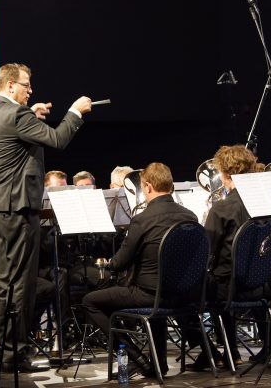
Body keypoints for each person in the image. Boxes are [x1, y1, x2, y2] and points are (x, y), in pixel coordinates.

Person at [0, 62, 92, 373]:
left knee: (5, 282)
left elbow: (15, 132)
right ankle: (13, 355)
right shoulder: (18, 115)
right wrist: (75, 112)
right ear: (11, 85)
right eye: (26, 85)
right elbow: (57, 140)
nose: (31, 90)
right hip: (17, 208)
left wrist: (32, 112)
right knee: (20, 284)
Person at [82, 162, 198, 378]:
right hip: (183, 296)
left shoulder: (142, 220)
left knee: (90, 301)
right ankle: (158, 363)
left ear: (147, 186)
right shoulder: (190, 216)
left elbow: (120, 263)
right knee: (154, 291)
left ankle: (138, 358)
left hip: (149, 296)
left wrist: (109, 262)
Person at [184, 145, 258, 370]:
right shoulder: (261, 203)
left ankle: (211, 351)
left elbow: (205, 250)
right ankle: (231, 350)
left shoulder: (222, 208)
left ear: (225, 174)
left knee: (179, 294)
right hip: (259, 284)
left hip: (230, 287)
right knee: (215, 280)